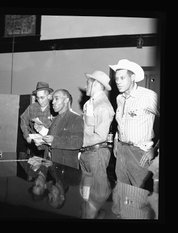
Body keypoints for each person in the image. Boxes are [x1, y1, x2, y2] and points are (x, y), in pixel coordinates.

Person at [109, 59, 160, 219]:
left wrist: (155, 150)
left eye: (122, 78)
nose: (118, 82)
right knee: (121, 191)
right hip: (121, 152)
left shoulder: (148, 96)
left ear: (133, 78)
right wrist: (117, 141)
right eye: (116, 78)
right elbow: (120, 123)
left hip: (139, 153)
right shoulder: (119, 98)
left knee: (139, 194)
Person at [78, 71, 115, 219]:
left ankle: (94, 214)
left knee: (97, 192)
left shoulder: (103, 106)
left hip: (96, 153)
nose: (86, 85)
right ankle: (92, 213)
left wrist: (78, 143)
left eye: (88, 82)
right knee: (86, 194)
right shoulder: (90, 103)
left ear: (96, 84)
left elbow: (101, 135)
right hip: (88, 153)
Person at [34, 89, 84, 169]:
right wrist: (41, 143)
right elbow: (52, 143)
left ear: (66, 100)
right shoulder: (55, 119)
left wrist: (54, 140)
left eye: (56, 99)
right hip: (50, 164)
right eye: (53, 99)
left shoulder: (76, 119)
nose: (53, 102)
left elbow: (77, 142)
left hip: (66, 166)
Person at [20, 81, 55, 158]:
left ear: (49, 96)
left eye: (42, 97)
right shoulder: (32, 107)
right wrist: (27, 136)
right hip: (34, 147)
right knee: (34, 168)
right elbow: (23, 120)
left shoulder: (54, 108)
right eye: (38, 98)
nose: (40, 101)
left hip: (49, 148)